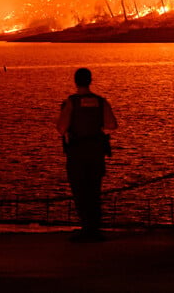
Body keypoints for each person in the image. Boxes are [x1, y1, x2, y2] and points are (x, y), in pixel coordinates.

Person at [56, 67, 118, 242]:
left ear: (76, 82)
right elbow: (112, 125)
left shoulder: (71, 103)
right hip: (96, 151)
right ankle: (95, 229)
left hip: (77, 152)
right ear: (90, 80)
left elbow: (61, 129)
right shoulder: (101, 101)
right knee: (94, 189)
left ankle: (86, 228)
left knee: (80, 190)